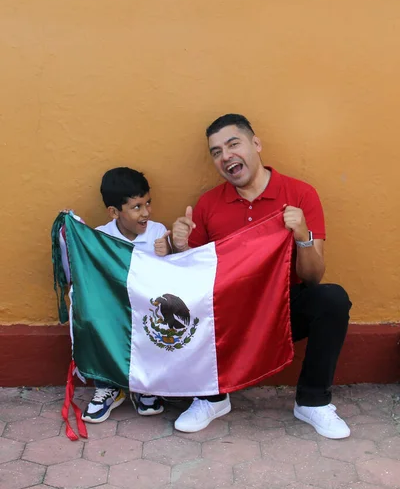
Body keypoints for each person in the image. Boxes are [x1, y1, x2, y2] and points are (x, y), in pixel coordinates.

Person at [171, 114, 352, 439]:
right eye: (216, 152)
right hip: (228, 314)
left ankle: (313, 402)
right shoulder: (209, 204)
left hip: (281, 310)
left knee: (332, 299)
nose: (225, 156)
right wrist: (180, 248)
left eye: (232, 144)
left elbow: (313, 278)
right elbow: (191, 281)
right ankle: (211, 397)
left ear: (255, 144)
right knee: (187, 309)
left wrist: (302, 236)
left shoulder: (300, 194)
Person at [75, 167, 171, 423]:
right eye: (137, 207)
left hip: (148, 311)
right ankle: (109, 386)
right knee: (87, 309)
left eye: (148, 203)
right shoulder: (101, 237)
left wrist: (169, 251)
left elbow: (173, 278)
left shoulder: (157, 232)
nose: (146, 212)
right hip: (115, 315)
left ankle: (143, 386)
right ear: (114, 212)